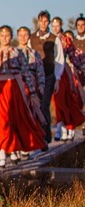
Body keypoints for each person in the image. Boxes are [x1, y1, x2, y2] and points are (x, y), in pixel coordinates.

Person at [0, 25, 46, 166]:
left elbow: (26, 73)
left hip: (15, 87)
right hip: (0, 88)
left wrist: (33, 93)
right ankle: (2, 153)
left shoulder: (17, 52)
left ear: (11, 37)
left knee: (15, 118)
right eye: (2, 35)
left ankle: (15, 150)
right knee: (0, 121)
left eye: (7, 35)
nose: (4, 38)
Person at [29, 10, 64, 143]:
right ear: (38, 21)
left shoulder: (54, 39)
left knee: (44, 105)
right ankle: (36, 135)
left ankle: (45, 135)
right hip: (34, 76)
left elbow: (59, 59)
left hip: (49, 75)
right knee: (34, 105)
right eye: (41, 21)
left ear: (48, 22)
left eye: (45, 21)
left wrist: (58, 78)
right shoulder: (31, 38)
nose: (43, 24)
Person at [50, 17, 85, 140]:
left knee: (65, 98)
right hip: (50, 70)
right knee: (56, 101)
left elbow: (73, 57)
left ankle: (65, 127)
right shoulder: (49, 39)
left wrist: (81, 67)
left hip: (64, 70)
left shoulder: (66, 40)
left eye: (57, 26)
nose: (55, 28)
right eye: (53, 26)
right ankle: (60, 127)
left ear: (61, 26)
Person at [16, 26, 48, 158]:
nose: (23, 37)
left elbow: (40, 71)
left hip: (32, 85)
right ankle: (20, 146)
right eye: (21, 35)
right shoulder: (14, 52)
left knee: (34, 114)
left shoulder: (35, 53)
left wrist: (41, 85)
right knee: (20, 115)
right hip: (18, 85)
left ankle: (37, 140)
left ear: (29, 36)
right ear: (17, 36)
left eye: (26, 34)